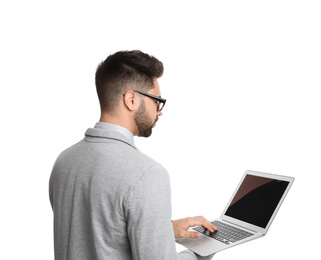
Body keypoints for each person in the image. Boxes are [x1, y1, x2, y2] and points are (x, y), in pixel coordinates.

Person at [49, 50, 217, 260]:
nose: (159, 110)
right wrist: (200, 253)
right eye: (156, 100)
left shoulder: (64, 161)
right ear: (131, 99)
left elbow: (97, 232)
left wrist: (163, 230)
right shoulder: (147, 174)